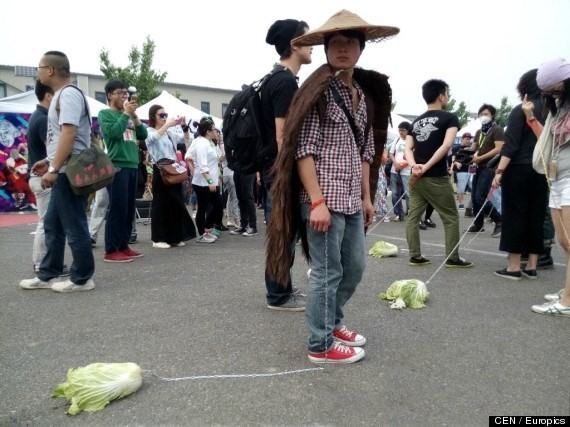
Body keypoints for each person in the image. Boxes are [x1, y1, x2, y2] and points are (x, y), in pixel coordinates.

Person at [266, 9, 398, 363]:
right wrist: (317, 200)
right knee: (327, 272)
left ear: (361, 49)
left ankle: (331, 321)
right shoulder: (316, 92)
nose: (343, 49)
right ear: (325, 49)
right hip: (322, 198)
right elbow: (302, 149)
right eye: (336, 43)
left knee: (354, 268)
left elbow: (367, 152)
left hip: (352, 199)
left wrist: (368, 198)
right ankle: (320, 345)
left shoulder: (363, 95)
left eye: (350, 43)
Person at [19, 50, 95, 292]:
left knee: (74, 225)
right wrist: (48, 160)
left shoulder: (69, 95)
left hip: (68, 172)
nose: (38, 72)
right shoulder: (61, 96)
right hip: (62, 168)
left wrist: (53, 167)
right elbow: (58, 137)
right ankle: (48, 273)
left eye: (40, 68)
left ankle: (82, 278)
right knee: (52, 223)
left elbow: (69, 134)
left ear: (50, 70)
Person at [262, 18, 312, 311]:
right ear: (295, 44)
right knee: (282, 233)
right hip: (281, 170)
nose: (313, 47)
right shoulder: (284, 82)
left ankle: (283, 289)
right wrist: (293, 174)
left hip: (274, 168)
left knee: (284, 232)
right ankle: (278, 295)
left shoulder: (277, 77)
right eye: (308, 40)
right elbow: (283, 136)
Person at [404, 79, 474, 269]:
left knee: (413, 216)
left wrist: (414, 167)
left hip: (416, 177)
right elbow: (447, 145)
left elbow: (408, 149)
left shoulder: (416, 121)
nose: (448, 98)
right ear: (441, 96)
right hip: (435, 176)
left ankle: (415, 256)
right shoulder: (449, 118)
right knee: (450, 217)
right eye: (447, 94)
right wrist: (425, 167)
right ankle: (453, 258)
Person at [490, 69, 548, 280]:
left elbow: (511, 146)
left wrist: (499, 171)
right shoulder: (551, 110)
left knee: (514, 215)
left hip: (519, 168)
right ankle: (532, 265)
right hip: (541, 170)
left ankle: (514, 266)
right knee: (536, 215)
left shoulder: (520, 111)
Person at [527, 58, 570, 316]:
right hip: (557, 177)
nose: (553, 96)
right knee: (564, 241)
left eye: (557, 90)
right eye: (549, 93)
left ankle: (567, 300)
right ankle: (568, 290)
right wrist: (533, 119)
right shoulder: (560, 106)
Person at [97, 80, 148, 262]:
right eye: (120, 93)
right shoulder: (105, 113)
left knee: (128, 209)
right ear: (110, 95)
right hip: (117, 164)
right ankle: (111, 250)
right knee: (117, 209)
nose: (124, 97)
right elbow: (113, 133)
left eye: (126, 93)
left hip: (133, 164)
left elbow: (143, 136)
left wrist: (134, 116)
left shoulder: (128, 115)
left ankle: (123, 245)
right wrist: (126, 113)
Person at [27, 79, 66, 273]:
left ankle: (48, 263)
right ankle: (42, 263)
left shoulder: (38, 116)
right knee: (46, 222)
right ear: (49, 96)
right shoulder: (43, 119)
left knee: (51, 222)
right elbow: (52, 150)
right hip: (43, 178)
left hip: (41, 177)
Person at [145, 105, 196, 248]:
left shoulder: (169, 133)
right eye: (161, 115)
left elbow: (186, 141)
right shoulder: (149, 131)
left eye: (166, 114)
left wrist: (185, 127)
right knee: (160, 204)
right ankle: (158, 238)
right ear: (153, 116)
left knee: (175, 203)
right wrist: (167, 125)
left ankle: (174, 236)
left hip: (172, 169)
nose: (165, 117)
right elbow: (150, 140)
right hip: (160, 169)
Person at [467, 104, 504, 237]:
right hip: (478, 166)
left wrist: (480, 157)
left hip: (489, 166)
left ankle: (499, 220)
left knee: (480, 196)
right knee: (474, 197)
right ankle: (478, 224)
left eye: (486, 114)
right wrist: (464, 153)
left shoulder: (497, 129)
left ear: (492, 115)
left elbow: (499, 148)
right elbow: (474, 148)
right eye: (481, 114)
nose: (483, 116)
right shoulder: (479, 132)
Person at [187, 118, 222, 243]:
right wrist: (210, 181)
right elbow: (202, 164)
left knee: (217, 204)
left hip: (209, 180)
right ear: (208, 131)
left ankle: (207, 229)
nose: (216, 132)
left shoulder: (207, 142)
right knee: (204, 206)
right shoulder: (201, 143)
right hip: (203, 182)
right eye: (213, 130)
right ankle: (202, 233)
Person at [388, 121, 411, 222]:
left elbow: (413, 155)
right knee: (394, 193)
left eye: (403, 130)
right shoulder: (397, 140)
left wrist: (403, 164)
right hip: (395, 170)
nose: (401, 132)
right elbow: (391, 153)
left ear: (408, 131)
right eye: (400, 130)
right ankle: (398, 213)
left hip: (407, 171)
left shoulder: (411, 141)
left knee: (408, 193)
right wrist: (396, 164)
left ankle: (410, 212)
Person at [452, 133, 474, 209]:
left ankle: (471, 205)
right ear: (462, 139)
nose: (468, 141)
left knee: (474, 187)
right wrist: (456, 162)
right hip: (461, 170)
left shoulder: (471, 148)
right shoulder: (457, 148)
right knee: (461, 189)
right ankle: (460, 203)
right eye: (467, 139)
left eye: (469, 139)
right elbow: (453, 158)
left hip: (471, 169)